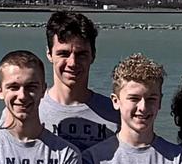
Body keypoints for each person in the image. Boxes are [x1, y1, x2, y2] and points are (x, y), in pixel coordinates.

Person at [39, 10, 121, 150]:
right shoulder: (27, 110)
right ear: (49, 54)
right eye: (63, 53)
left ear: (93, 55)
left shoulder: (116, 113)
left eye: (81, 54)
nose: (72, 63)